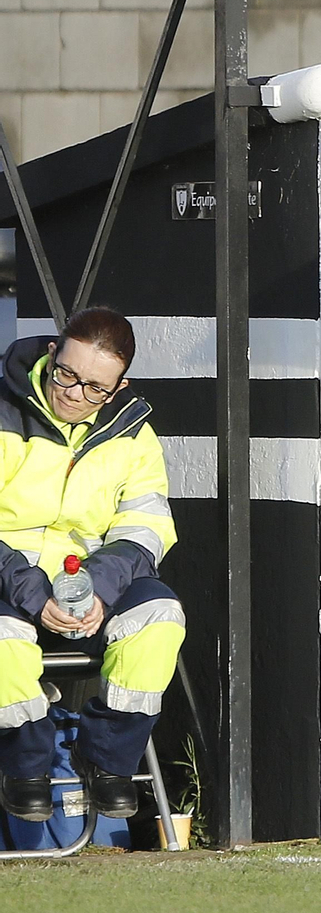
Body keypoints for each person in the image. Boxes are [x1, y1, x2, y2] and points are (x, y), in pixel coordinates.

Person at [0, 308, 182, 824]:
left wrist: (98, 589)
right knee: (3, 638)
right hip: (8, 576)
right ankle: (26, 765)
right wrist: (33, 591)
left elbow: (145, 528)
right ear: (53, 354)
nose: (74, 395)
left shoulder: (134, 431)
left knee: (160, 617)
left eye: (95, 389)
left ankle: (107, 762)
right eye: (67, 375)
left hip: (87, 581)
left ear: (119, 385)